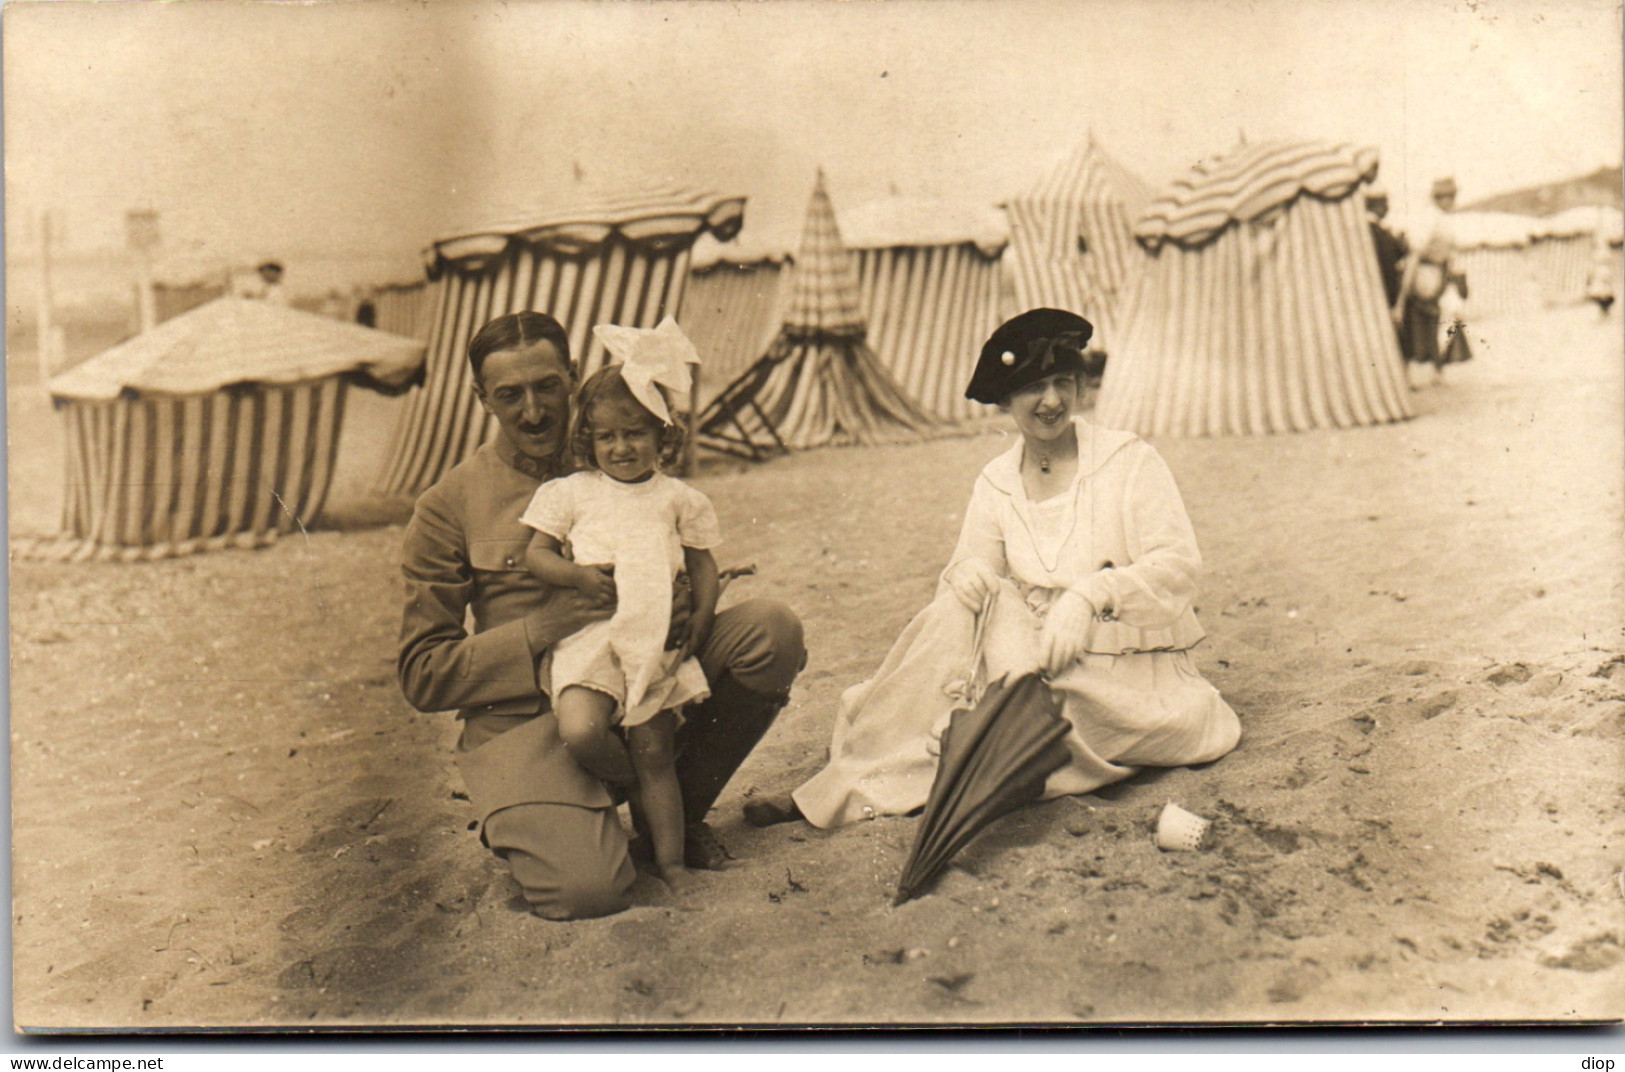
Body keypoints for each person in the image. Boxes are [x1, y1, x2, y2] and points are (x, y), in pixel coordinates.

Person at [748, 308, 1239, 830]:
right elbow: (971, 562)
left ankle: (866, 782)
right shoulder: (997, 480)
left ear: (1079, 387)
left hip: (1130, 677)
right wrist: (966, 574)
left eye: (1061, 383)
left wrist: (1090, 595)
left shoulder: (1128, 462)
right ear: (1005, 400)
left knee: (997, 725)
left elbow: (1178, 567)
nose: (1050, 401)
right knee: (964, 614)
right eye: (1032, 387)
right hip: (1030, 659)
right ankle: (850, 780)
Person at [398, 311, 805, 920]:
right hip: (531, 719)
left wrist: (685, 601)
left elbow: (675, 549)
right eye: (510, 395)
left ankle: (676, 809)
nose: (533, 412)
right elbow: (423, 673)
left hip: (645, 676)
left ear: (573, 375)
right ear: (481, 398)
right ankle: (580, 807)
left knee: (771, 631)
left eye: (548, 388)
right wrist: (545, 625)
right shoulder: (446, 506)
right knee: (589, 892)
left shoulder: (623, 445)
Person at [521, 320, 719, 893]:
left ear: (663, 436)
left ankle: (673, 862)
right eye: (606, 437)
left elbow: (703, 567)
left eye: (635, 433)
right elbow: (535, 555)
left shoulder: (678, 498)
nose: (621, 448)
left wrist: (699, 626)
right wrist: (577, 576)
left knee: (655, 748)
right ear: (589, 441)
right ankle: (636, 790)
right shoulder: (573, 493)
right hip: (590, 640)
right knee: (582, 731)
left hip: (655, 641)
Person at [1394, 177, 1459, 387]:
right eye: (1446, 197)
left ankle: (1435, 371)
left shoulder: (1445, 219)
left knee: (1437, 322)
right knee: (1417, 323)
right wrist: (1404, 293)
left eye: (1452, 196)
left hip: (1437, 273)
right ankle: (1410, 374)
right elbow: (1416, 253)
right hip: (1424, 274)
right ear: (1438, 198)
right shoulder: (1430, 218)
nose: (1450, 201)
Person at [1365, 183, 1409, 322]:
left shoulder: (1363, 230)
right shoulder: (1382, 234)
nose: (1388, 208)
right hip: (1385, 295)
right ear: (1379, 205)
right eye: (1385, 203)